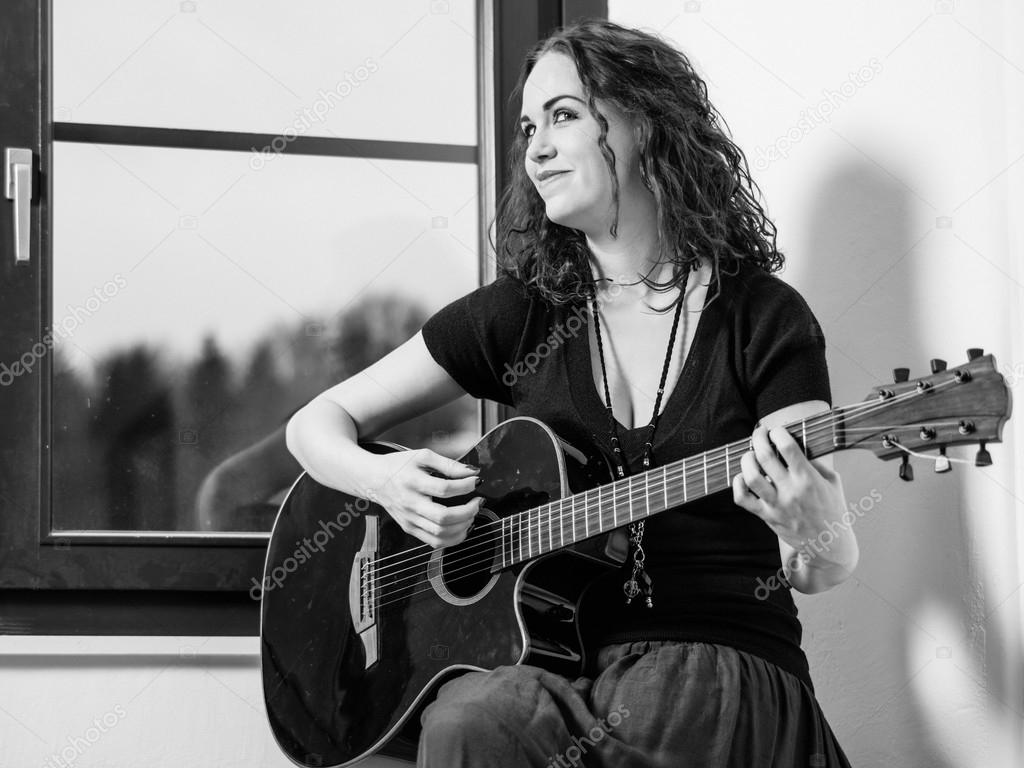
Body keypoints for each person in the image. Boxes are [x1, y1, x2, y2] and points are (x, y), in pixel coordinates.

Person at [285, 17, 859, 768]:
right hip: (558, 671)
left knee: (645, 714)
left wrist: (822, 531)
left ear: (648, 124)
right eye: (529, 127)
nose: (537, 149)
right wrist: (387, 481)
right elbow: (314, 425)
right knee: (463, 721)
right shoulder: (522, 313)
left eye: (564, 116)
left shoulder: (761, 317)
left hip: (718, 666)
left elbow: (818, 566)